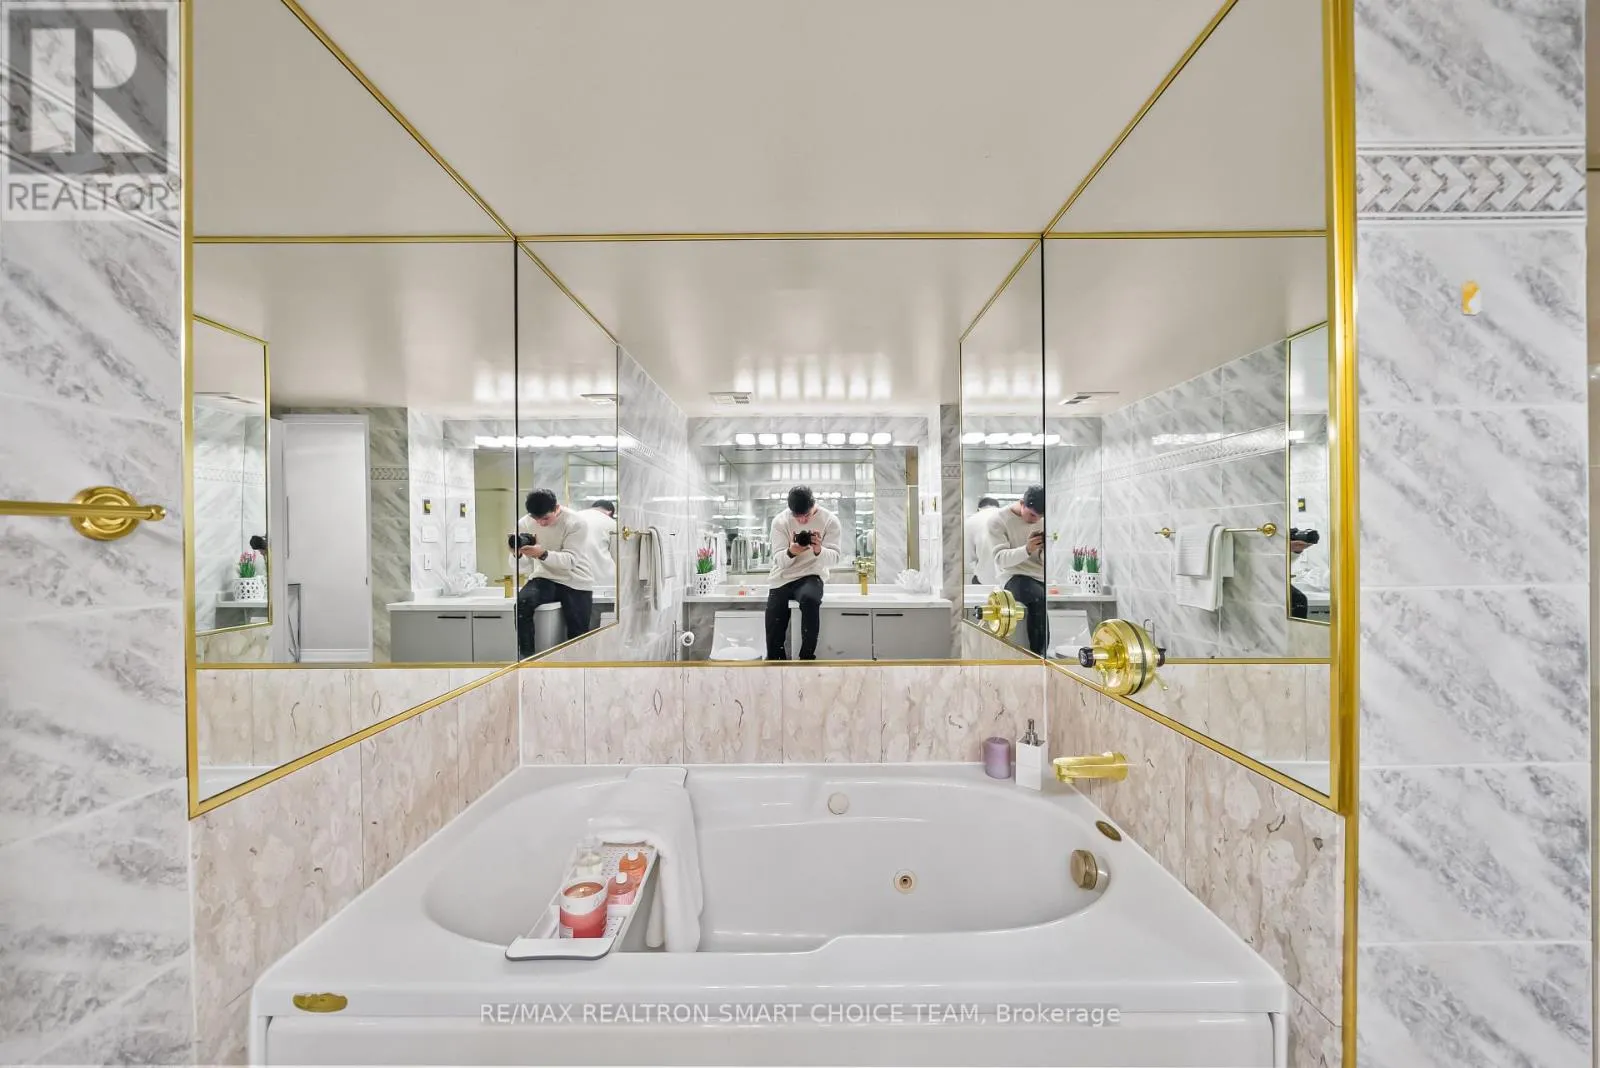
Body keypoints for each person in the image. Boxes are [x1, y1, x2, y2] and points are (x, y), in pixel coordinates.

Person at [511, 489, 595, 658]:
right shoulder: (525, 523)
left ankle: (578, 668)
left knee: (578, 635)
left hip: (576, 580)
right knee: (522, 604)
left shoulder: (575, 523)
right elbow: (522, 567)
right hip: (544, 577)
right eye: (536, 519)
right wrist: (517, 554)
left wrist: (542, 554)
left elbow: (570, 561)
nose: (540, 523)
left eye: (545, 518)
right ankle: (527, 657)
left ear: (557, 508)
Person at [765, 485, 842, 660]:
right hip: (781, 577)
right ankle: (775, 662)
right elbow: (779, 560)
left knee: (810, 599)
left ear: (814, 505)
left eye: (806, 516)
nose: (802, 521)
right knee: (774, 621)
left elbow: (835, 559)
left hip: (811, 574)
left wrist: (819, 550)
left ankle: (807, 658)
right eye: (797, 517)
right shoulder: (780, 522)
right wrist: (791, 552)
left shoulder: (830, 521)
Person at [982, 485, 1048, 656]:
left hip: (1040, 578)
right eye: (1032, 515)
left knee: (1046, 598)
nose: (1036, 520)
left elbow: (1043, 561)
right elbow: (1001, 560)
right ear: (1021, 503)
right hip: (1013, 577)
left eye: (1040, 516)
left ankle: (1045, 654)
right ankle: (1039, 655)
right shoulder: (998, 521)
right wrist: (1027, 549)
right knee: (1039, 598)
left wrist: (1044, 550)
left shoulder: (1042, 520)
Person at [579, 499, 618, 586]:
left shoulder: (575, 516)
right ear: (609, 513)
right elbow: (616, 555)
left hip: (573, 580)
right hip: (603, 580)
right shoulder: (611, 523)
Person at [964, 497, 1001, 585]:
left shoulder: (970, 521)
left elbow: (967, 556)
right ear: (998, 507)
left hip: (984, 580)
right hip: (1011, 580)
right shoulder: (1008, 517)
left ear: (978, 509)